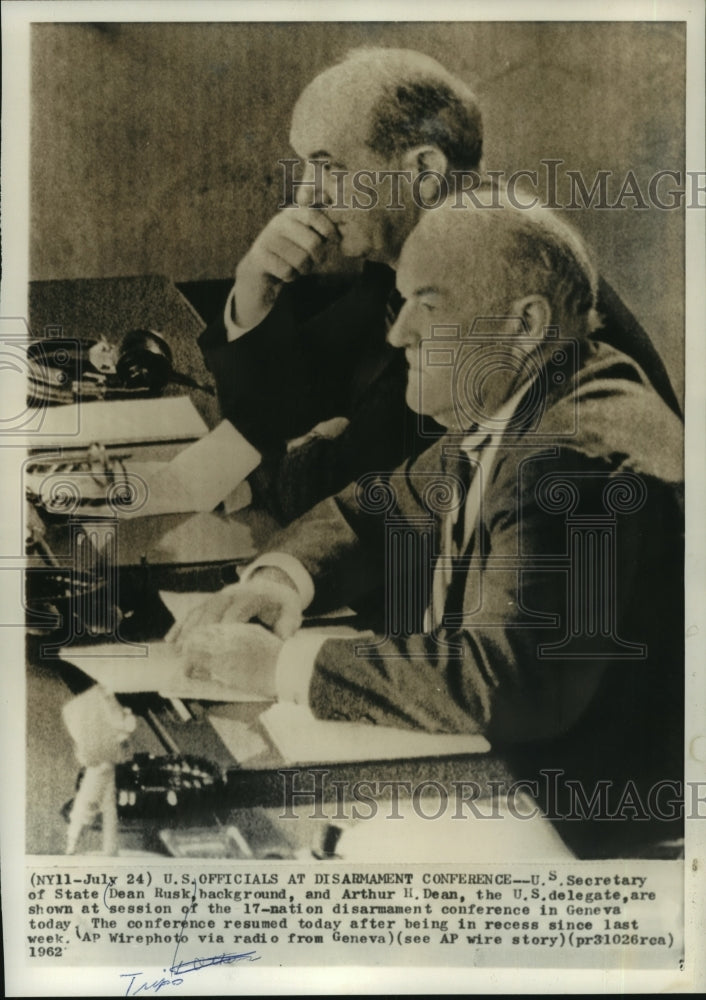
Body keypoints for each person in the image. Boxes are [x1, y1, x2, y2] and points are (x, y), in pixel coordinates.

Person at [176, 198, 684, 857]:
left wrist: (282, 666)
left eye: (429, 305)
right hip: (504, 772)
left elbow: (505, 680)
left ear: (524, 322)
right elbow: (379, 506)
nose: (398, 334)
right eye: (401, 301)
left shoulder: (568, 461)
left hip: (586, 830)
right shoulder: (535, 392)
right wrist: (281, 582)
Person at [198, 47, 680, 524]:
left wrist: (314, 447)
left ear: (424, 171)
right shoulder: (408, 261)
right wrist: (253, 285)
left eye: (331, 168)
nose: (307, 194)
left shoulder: (482, 295)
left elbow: (326, 496)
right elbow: (283, 407)